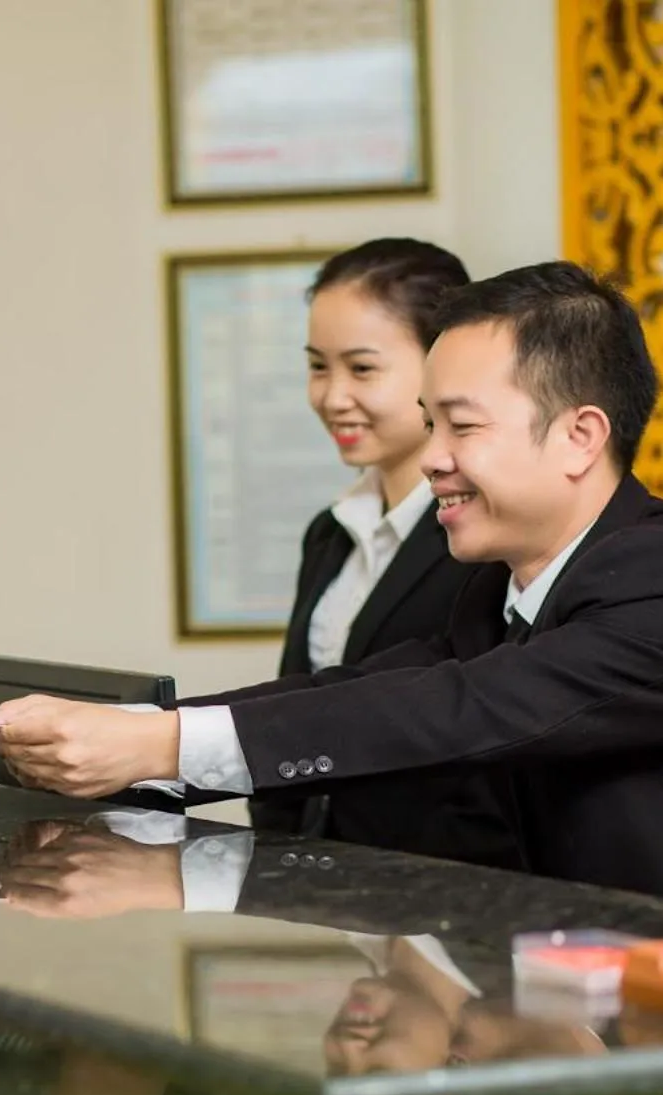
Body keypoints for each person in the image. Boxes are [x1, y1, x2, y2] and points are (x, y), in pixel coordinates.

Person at [0, 261, 663, 913]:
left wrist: (157, 745)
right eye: (431, 425)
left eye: (462, 425)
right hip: (571, 1023)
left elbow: (460, 708)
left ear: (580, 436)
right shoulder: (495, 591)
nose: (432, 459)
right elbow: (364, 690)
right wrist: (138, 739)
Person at [255, 239, 518, 869]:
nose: (332, 396)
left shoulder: (488, 536)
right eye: (318, 367)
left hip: (441, 898)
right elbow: (298, 706)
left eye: (362, 368)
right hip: (325, 892)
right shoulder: (331, 532)